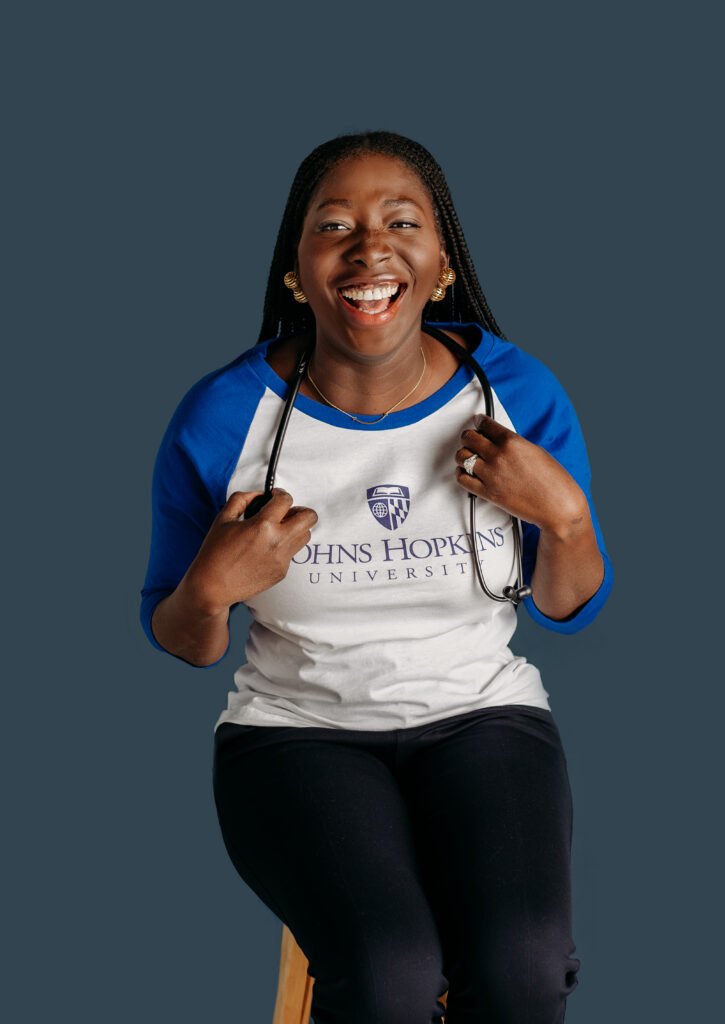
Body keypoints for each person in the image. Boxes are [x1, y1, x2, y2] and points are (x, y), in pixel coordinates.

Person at [141, 131, 613, 1024]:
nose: (370, 247)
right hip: (295, 734)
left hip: (484, 717)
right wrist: (209, 589)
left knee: (523, 964)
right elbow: (181, 639)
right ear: (296, 270)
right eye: (333, 226)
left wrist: (568, 518)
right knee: (391, 969)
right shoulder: (224, 416)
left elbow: (565, 604)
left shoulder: (515, 391)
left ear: (441, 265)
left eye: (402, 221)